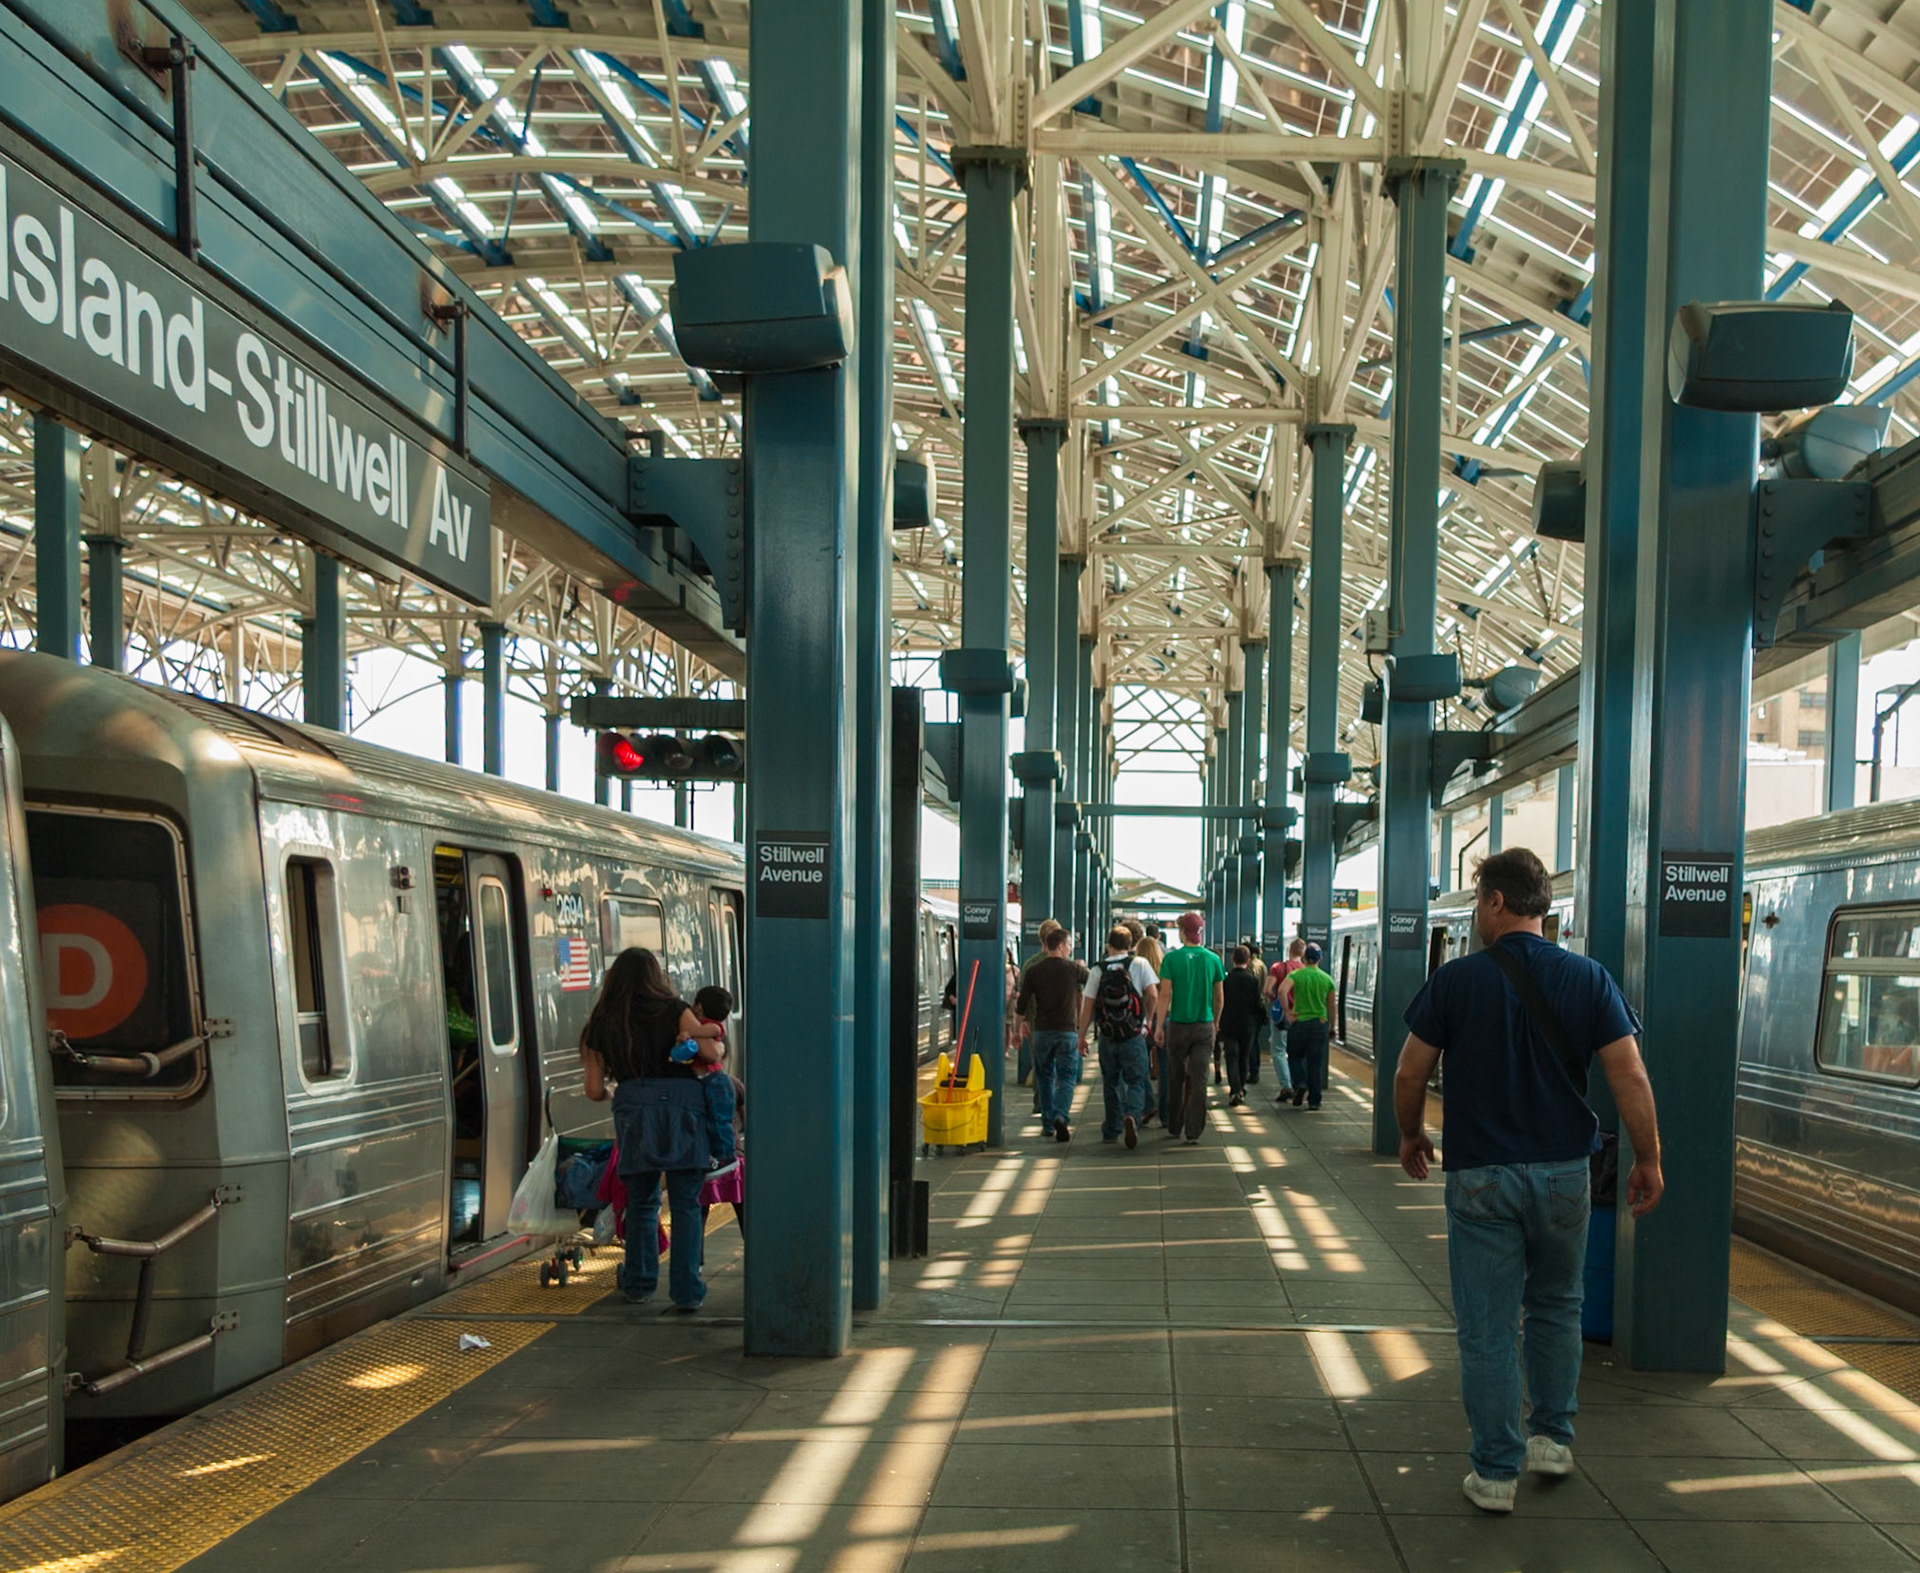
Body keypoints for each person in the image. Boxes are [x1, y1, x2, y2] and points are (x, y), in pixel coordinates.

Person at [1392, 847, 1664, 1516]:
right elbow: (1629, 1074)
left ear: (1493, 900)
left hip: (1482, 1172)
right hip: (1565, 1172)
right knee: (1556, 1305)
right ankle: (1552, 1438)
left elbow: (1408, 1072)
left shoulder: (1457, 981)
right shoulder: (1589, 977)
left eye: (1478, 899)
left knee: (1487, 1327)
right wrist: (1648, 1157)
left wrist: (1410, 1133)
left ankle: (1493, 1473)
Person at [579, 948, 724, 1311]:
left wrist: (617, 1092)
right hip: (684, 1108)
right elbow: (711, 1053)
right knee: (686, 1204)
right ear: (656, 976)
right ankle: (688, 1293)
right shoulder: (675, 1009)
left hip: (634, 1110)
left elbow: (595, 1090)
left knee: (642, 1202)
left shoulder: (601, 1021)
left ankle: (640, 1284)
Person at [1079, 926, 1160, 1149]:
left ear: (1109, 944)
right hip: (1133, 1035)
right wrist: (1147, 1022)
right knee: (1135, 1079)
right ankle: (1133, 1116)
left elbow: (1088, 1005)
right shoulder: (1140, 964)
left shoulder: (1098, 969)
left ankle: (1112, 1129)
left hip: (1107, 1036)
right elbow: (1152, 994)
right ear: (1131, 944)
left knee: (1111, 1082)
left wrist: (1081, 1035)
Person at [1016, 925, 1089, 1141]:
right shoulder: (1073, 969)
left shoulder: (1034, 970)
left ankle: (1047, 1123)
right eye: (1068, 945)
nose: (1069, 949)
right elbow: (1095, 980)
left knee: (1045, 1077)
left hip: (1043, 1032)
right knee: (1066, 1077)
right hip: (1067, 1031)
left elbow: (1022, 1003)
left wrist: (1017, 1029)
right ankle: (1060, 1115)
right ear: (1059, 945)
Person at [1159, 911, 1226, 1144]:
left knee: (1175, 1077)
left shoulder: (1171, 959)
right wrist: (1215, 1023)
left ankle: (1174, 1125)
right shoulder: (1213, 960)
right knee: (1199, 1080)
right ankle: (1194, 1130)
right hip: (1204, 1026)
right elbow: (1219, 998)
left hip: (1177, 1025)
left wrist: (1159, 1026)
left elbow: (1165, 994)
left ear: (1182, 931)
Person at [693, 985, 745, 1234]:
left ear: (700, 1006)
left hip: (714, 1084)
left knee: (718, 1123)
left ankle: (724, 1157)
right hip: (713, 1084)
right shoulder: (706, 1030)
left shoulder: (709, 1027)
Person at [1017, 919, 1066, 1112]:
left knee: (1041, 1067)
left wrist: (1023, 1023)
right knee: (1062, 1068)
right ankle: (1057, 1107)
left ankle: (1041, 1105)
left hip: (1038, 1023)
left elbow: (1024, 998)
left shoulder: (1030, 964)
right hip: (1063, 1022)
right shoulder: (1067, 964)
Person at [1280, 944, 1336, 1109]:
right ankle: (1314, 1101)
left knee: (1295, 1057)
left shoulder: (1296, 975)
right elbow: (1332, 1006)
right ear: (1319, 959)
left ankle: (1300, 1082)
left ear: (1304, 958)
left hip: (1299, 1023)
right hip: (1319, 1024)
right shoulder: (1327, 979)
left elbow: (1282, 991)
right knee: (1315, 1063)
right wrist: (1333, 1027)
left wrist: (1287, 1011)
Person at [1216, 946, 1265, 1107]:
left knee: (1231, 1057)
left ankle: (1234, 1090)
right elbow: (1258, 1003)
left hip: (1229, 1024)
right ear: (1248, 960)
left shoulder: (1226, 980)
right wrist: (1264, 1018)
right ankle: (1241, 1089)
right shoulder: (1253, 980)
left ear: (1232, 959)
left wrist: (1217, 1021)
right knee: (1244, 1057)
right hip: (1248, 1025)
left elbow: (1220, 1001)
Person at [1134, 932, 1169, 1128]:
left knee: (1140, 1068)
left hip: (1141, 1024)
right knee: (1165, 1069)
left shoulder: (1135, 968)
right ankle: (1166, 1114)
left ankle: (1145, 1105)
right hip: (1164, 1021)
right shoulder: (1165, 966)